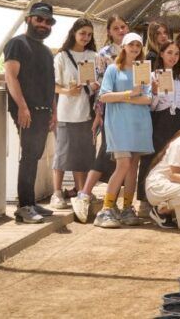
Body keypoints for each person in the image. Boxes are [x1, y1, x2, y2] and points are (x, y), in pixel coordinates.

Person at [71, 14, 129, 223]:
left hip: (129, 112)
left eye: (123, 27)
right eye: (116, 28)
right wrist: (99, 113)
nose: (120, 31)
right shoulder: (103, 54)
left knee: (120, 158)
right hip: (110, 110)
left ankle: (110, 203)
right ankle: (84, 194)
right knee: (106, 152)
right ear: (109, 32)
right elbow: (101, 87)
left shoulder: (133, 51)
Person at [4, 2, 57, 223]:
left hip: (44, 111)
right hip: (27, 111)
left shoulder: (46, 51)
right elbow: (10, 76)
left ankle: (30, 203)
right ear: (29, 19)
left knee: (34, 156)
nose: (43, 24)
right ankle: (24, 207)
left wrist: (54, 112)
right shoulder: (17, 43)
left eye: (47, 21)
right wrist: (23, 107)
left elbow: (50, 84)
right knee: (28, 156)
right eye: (39, 19)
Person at [94, 32, 153, 228]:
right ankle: (106, 209)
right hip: (118, 124)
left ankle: (127, 208)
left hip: (139, 124)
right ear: (124, 47)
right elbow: (104, 96)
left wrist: (127, 97)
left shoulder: (143, 69)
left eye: (138, 45)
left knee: (133, 167)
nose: (135, 48)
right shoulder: (113, 69)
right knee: (123, 165)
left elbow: (148, 99)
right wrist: (130, 94)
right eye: (131, 44)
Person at [137, 41, 180, 217]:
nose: (173, 57)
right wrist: (154, 91)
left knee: (173, 160)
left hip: (178, 122)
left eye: (176, 54)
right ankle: (144, 201)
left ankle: (167, 201)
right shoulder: (153, 75)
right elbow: (151, 106)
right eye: (169, 53)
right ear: (161, 54)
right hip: (159, 120)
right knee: (152, 158)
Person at [51, 18, 99, 210]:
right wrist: (67, 91)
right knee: (62, 153)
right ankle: (56, 193)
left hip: (87, 113)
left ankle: (81, 192)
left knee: (83, 154)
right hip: (66, 112)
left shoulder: (94, 56)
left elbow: (100, 80)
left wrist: (96, 85)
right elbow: (52, 84)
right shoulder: (62, 57)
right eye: (82, 33)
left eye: (89, 34)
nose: (86, 37)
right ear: (74, 33)